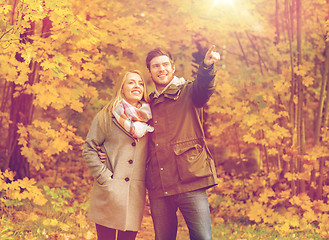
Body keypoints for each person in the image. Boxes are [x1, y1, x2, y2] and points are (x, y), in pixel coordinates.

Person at [145, 45, 220, 240]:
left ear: (173, 67)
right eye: (156, 66)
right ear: (150, 71)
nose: (161, 69)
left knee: (202, 237)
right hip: (159, 185)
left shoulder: (188, 91)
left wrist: (206, 66)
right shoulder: (147, 104)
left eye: (165, 64)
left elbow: (205, 86)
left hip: (190, 181)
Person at [82, 70, 154, 240]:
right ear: (121, 88)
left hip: (135, 193)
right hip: (108, 190)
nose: (137, 86)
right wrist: (104, 176)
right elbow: (89, 148)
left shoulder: (150, 118)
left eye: (140, 83)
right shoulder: (106, 116)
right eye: (131, 82)